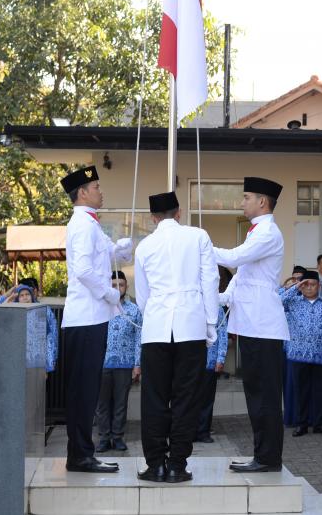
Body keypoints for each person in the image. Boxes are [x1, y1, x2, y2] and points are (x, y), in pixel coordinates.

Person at [134, 192, 220, 483]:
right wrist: (210, 322)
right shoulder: (198, 237)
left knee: (154, 399)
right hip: (191, 326)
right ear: (179, 212)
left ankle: (155, 464)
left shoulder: (145, 246)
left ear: (153, 218)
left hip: (156, 328)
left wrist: (156, 313)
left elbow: (142, 297)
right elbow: (210, 280)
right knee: (186, 398)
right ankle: (177, 465)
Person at [214, 177, 289, 473]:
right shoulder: (256, 232)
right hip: (251, 324)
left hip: (262, 326)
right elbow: (241, 275)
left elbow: (235, 258)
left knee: (265, 397)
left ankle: (268, 458)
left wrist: (200, 245)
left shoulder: (267, 232)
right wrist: (219, 297)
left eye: (246, 197)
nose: (242, 202)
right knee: (255, 394)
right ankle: (262, 455)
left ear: (262, 201)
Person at [60, 165, 131, 473]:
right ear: (83, 193)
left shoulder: (90, 224)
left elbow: (98, 259)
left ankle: (81, 453)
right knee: (83, 391)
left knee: (86, 390)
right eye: (97, 187)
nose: (101, 191)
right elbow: (83, 270)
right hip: (85, 318)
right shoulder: (82, 225)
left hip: (92, 319)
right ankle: (80, 455)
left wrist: (120, 250)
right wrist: (111, 294)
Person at [282, 270, 322, 436]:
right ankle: (301, 424)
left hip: (321, 355)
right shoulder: (293, 302)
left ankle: (320, 424)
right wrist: (296, 286)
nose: (309, 287)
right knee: (301, 390)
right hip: (298, 354)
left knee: (320, 391)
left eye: (312, 284)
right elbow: (278, 302)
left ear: (319, 285)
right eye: (305, 284)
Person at [95, 271, 142, 453]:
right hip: (102, 363)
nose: (117, 288)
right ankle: (104, 438)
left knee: (121, 403)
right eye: (113, 285)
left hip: (124, 363)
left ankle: (118, 437)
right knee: (102, 404)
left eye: (120, 285)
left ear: (126, 287)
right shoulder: (100, 308)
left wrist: (137, 364)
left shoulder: (133, 310)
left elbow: (139, 338)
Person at [195, 266, 231, 444]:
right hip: (190, 362)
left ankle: (203, 432)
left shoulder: (216, 307)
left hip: (210, 361)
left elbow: (222, 334)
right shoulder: (190, 305)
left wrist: (220, 359)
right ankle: (188, 432)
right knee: (188, 398)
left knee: (207, 399)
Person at [0, 283, 58, 374]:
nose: (25, 297)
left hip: (37, 362)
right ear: (17, 299)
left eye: (27, 294)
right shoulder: (12, 312)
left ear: (32, 296)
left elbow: (52, 336)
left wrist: (48, 364)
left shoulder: (44, 310)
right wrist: (7, 295)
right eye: (21, 295)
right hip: (15, 361)